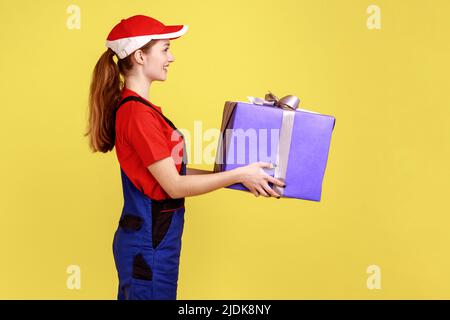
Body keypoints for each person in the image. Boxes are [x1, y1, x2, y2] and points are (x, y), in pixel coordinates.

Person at [85, 15, 285, 300]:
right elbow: (174, 186)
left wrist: (243, 175)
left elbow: (175, 174)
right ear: (140, 56)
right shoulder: (136, 114)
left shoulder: (141, 110)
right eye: (165, 49)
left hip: (153, 242)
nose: (172, 57)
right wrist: (239, 175)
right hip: (148, 245)